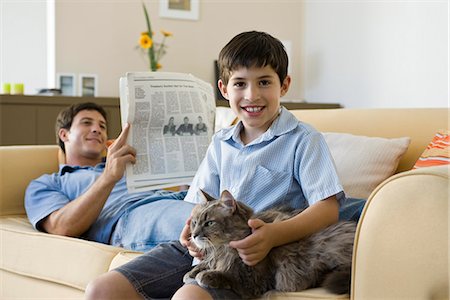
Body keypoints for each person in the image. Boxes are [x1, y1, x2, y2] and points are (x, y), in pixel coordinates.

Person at [85, 31, 365, 300]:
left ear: (285, 85)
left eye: (264, 82)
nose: (252, 95)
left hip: (253, 258)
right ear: (224, 89)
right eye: (240, 84)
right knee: (102, 290)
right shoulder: (221, 142)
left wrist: (272, 236)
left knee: (189, 296)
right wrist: (189, 229)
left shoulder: (304, 140)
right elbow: (199, 200)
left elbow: (327, 210)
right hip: (206, 245)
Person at [24, 102, 195, 251]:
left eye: (102, 126)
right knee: (211, 222)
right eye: (86, 123)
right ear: (64, 134)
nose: (96, 129)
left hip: (173, 200)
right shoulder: (50, 182)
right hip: (132, 215)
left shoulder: (127, 162)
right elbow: (61, 226)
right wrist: (108, 177)